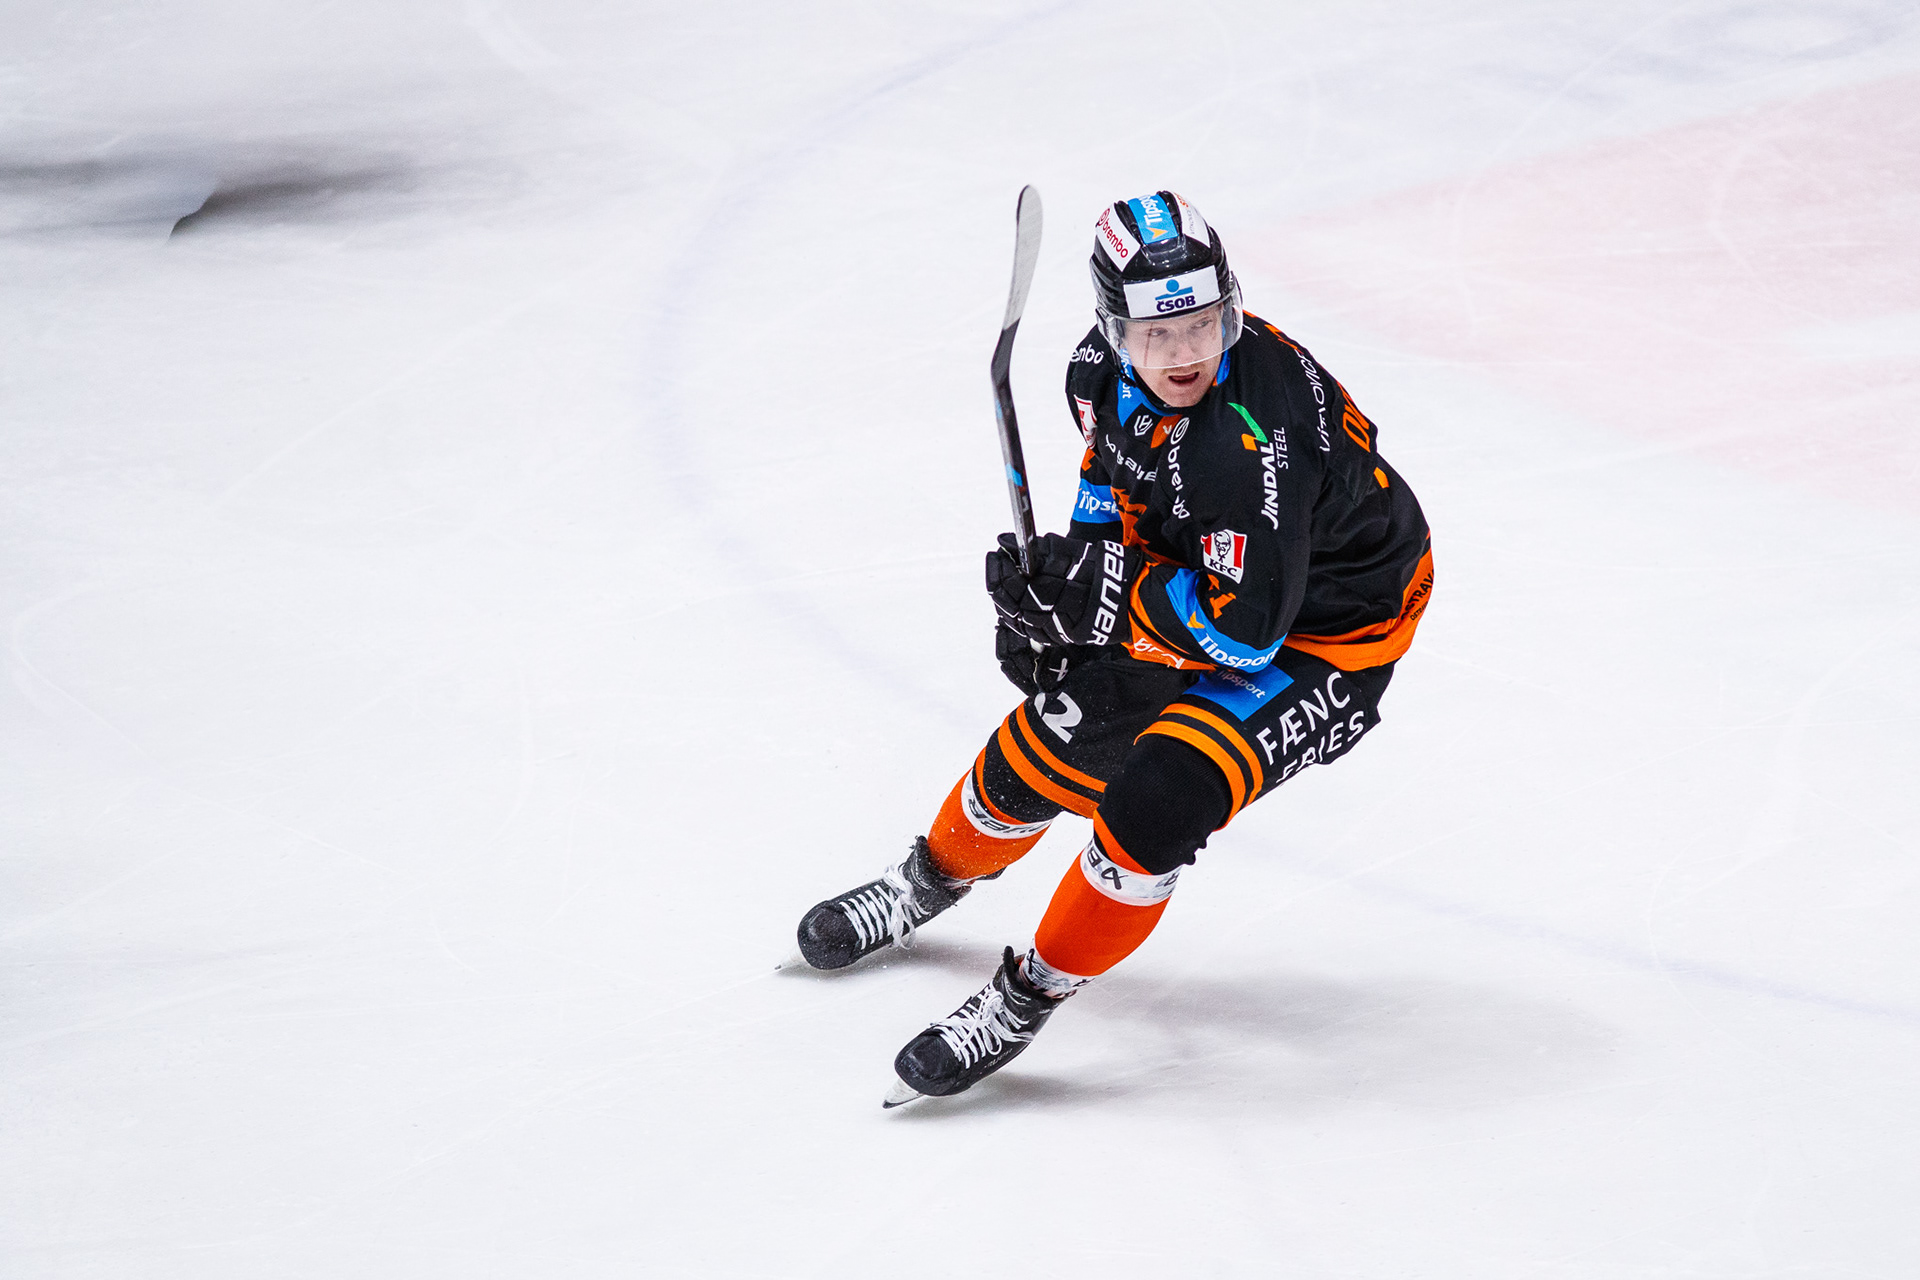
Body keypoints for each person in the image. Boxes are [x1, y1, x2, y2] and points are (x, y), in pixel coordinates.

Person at [795, 191, 1434, 1107]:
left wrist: (1106, 602)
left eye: (1204, 325)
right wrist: (1066, 595)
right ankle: (922, 884)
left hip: (1332, 633)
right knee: (1053, 730)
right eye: (1156, 335)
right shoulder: (1096, 376)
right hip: (1221, 576)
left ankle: (1028, 995)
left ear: (1232, 309)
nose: (1184, 354)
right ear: (1112, 331)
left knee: (1161, 795)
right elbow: (1112, 486)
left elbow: (1245, 634)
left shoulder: (1248, 445)